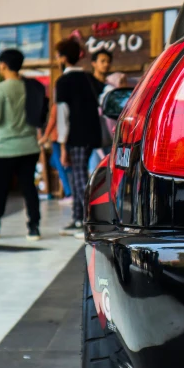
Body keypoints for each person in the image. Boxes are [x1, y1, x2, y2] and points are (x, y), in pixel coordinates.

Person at [0, 49, 42, 241]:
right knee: (29, 188)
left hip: (6, 148)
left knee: (0, 189)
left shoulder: (0, 89)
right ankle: (33, 228)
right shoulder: (30, 87)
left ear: (3, 65)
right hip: (30, 146)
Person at [55, 39, 102, 235]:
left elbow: (62, 114)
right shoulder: (89, 79)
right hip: (92, 133)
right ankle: (76, 219)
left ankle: (86, 221)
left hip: (75, 136)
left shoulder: (63, 82)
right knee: (76, 177)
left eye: (58, 55)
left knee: (80, 177)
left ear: (64, 58)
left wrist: (63, 144)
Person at [38, 103, 72, 202]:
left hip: (58, 139)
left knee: (60, 165)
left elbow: (52, 121)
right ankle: (70, 187)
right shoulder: (66, 103)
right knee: (58, 163)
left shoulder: (57, 105)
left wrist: (44, 137)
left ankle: (68, 193)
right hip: (64, 138)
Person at [87, 49, 113, 173]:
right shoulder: (88, 84)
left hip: (109, 135)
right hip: (93, 135)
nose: (106, 64)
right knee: (95, 172)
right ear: (93, 63)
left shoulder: (111, 86)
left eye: (108, 61)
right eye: (102, 61)